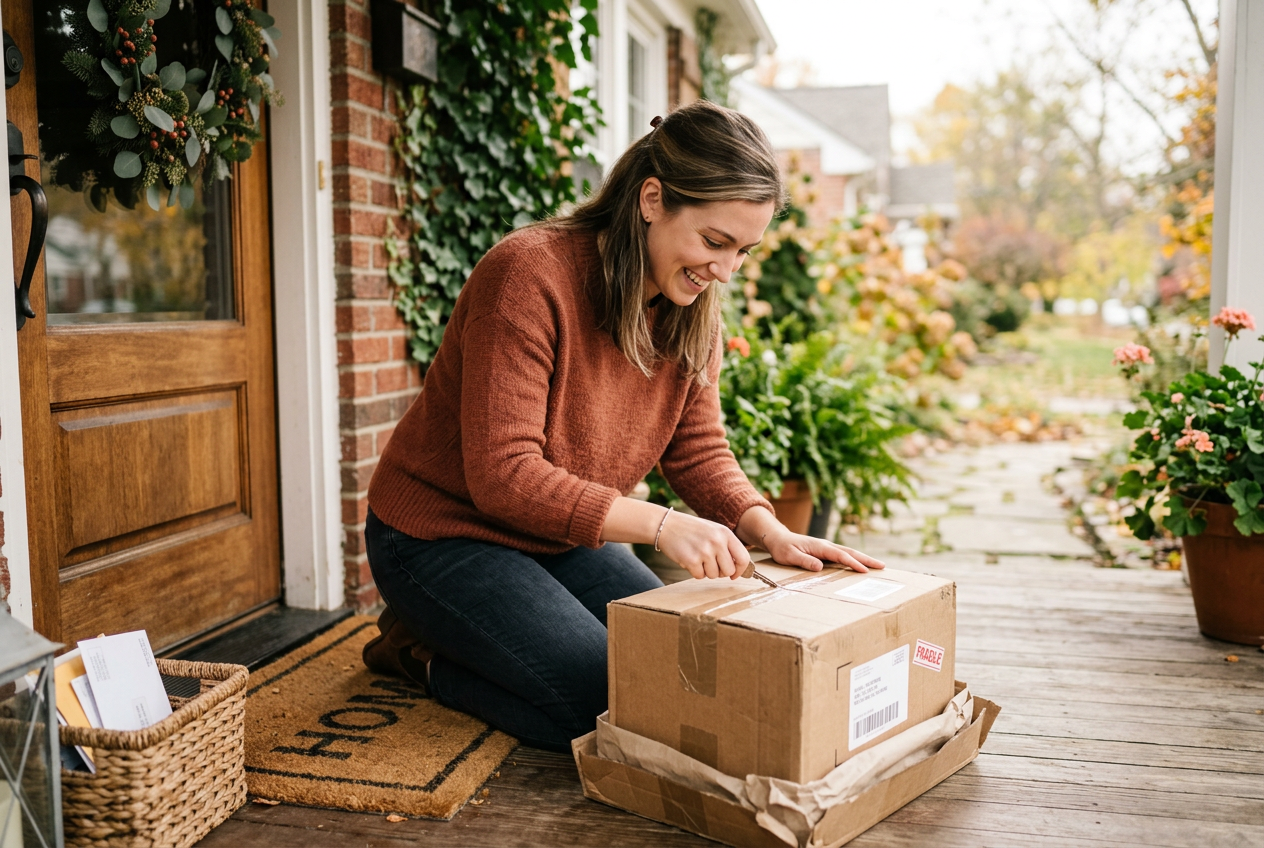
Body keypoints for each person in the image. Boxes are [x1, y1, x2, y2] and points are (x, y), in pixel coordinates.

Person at [362, 100, 885, 753]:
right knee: (604, 700)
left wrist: (769, 530)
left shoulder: (689, 307)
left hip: (558, 537)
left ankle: (471, 637)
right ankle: (418, 653)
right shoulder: (527, 275)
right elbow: (503, 476)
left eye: (744, 251)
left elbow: (697, 451)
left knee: (667, 679)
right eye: (714, 242)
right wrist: (663, 525)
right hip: (441, 537)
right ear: (652, 199)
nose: (725, 271)